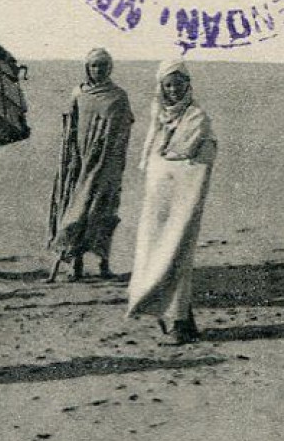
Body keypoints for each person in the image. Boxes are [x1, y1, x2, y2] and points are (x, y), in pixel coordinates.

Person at [126, 60, 217, 345]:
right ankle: (183, 320)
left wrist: (165, 156)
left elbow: (182, 153)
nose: (174, 90)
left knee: (178, 253)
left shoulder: (196, 116)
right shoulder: (160, 116)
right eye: (168, 84)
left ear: (188, 85)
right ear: (161, 87)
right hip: (159, 203)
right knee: (157, 252)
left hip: (184, 200)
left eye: (179, 83)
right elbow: (155, 157)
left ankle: (179, 324)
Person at [48, 47, 134, 281]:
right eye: (94, 65)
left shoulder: (118, 96)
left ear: (110, 67)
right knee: (76, 210)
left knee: (103, 211)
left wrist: (112, 159)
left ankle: (103, 263)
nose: (99, 70)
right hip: (79, 163)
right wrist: (71, 158)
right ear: (87, 68)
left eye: (103, 65)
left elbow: (124, 129)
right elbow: (70, 127)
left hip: (106, 164)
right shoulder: (78, 93)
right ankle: (74, 263)